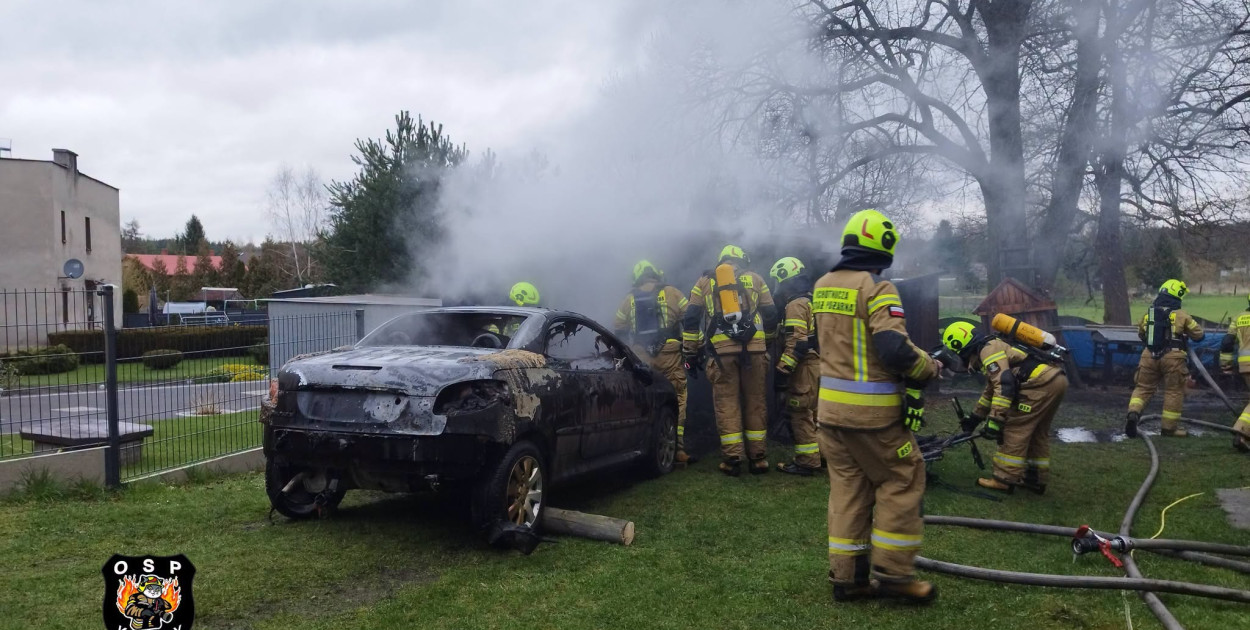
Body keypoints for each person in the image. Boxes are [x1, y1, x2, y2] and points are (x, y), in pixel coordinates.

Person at [813, 209, 939, 603]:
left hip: (830, 416)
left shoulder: (823, 285)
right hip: (873, 418)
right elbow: (893, 349)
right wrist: (928, 367)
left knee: (848, 490)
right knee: (902, 479)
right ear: (884, 249)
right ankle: (895, 576)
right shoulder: (877, 288)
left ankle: (847, 578)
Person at [682, 245, 778, 476]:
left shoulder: (704, 282)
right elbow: (771, 315)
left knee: (727, 404)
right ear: (742, 260)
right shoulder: (756, 278)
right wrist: (766, 343)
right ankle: (758, 459)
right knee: (756, 402)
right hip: (755, 352)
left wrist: (690, 352)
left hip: (721, 354)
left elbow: (691, 319)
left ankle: (733, 459)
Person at [941, 321, 1068, 494]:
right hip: (1056, 380)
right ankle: (1035, 479)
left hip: (1038, 384)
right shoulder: (992, 345)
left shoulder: (987, 350)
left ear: (960, 345)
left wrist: (995, 420)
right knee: (1037, 432)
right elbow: (991, 389)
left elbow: (1004, 385)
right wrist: (975, 418)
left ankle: (1004, 479)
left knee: (1014, 429)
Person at [614, 260, 695, 463]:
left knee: (645, 398)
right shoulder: (673, 292)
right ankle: (677, 449)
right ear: (656, 274)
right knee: (677, 396)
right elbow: (691, 319)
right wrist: (693, 348)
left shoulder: (628, 299)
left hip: (641, 356)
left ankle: (643, 447)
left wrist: (629, 356)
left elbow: (619, 329)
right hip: (669, 354)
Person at [1125, 279, 1204, 438]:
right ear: (1177, 296)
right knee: (1173, 392)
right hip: (1173, 358)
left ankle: (1133, 413)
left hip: (1148, 356)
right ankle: (1169, 429)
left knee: (1143, 388)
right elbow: (1199, 335)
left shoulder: (1149, 314)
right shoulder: (1181, 315)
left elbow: (1141, 334)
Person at [769, 256, 820, 476]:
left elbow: (797, 344)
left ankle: (806, 462)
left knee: (800, 412)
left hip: (804, 367)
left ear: (786, 280)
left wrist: (782, 370)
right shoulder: (809, 300)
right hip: (815, 364)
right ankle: (820, 455)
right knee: (814, 414)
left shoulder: (795, 305)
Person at [1219, 293, 1250, 452]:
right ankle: (1241, 431)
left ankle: (1243, 433)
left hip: (1245, 366)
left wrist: (1226, 365)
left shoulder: (1239, 317)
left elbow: (1227, 342)